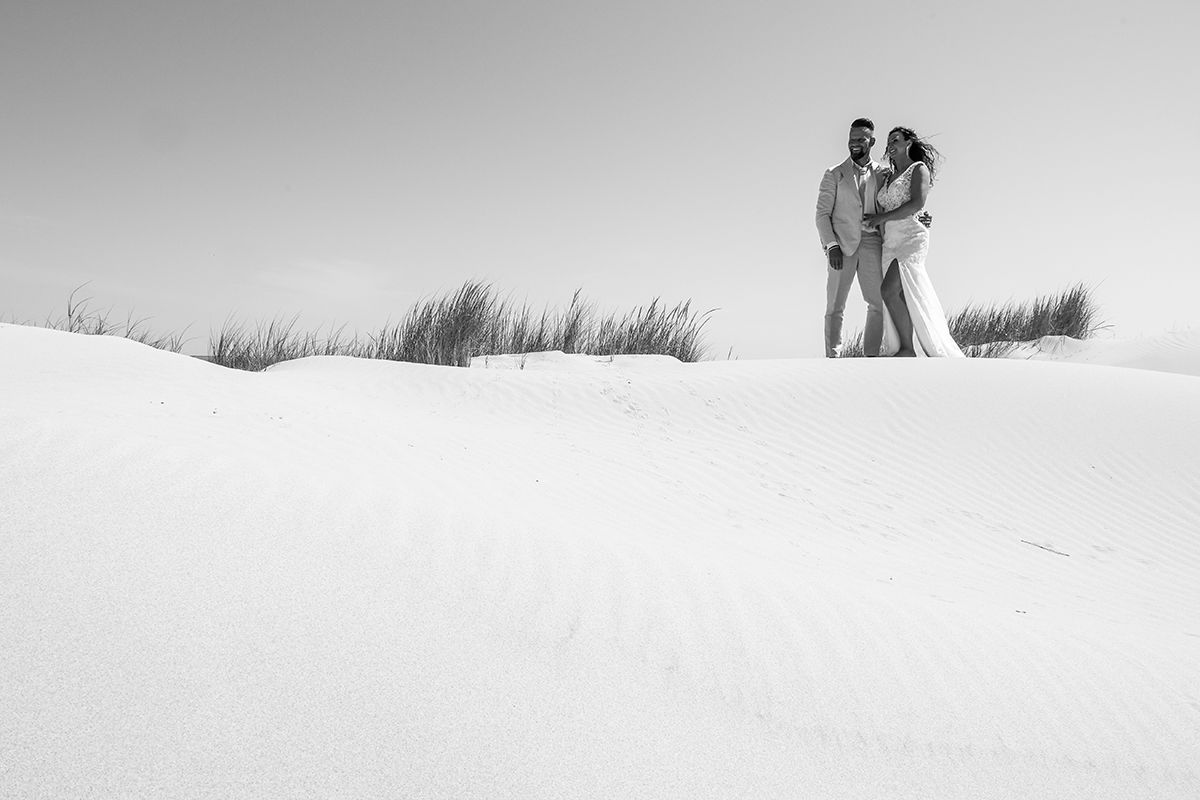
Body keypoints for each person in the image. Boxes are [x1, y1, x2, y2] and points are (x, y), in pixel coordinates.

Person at [864, 127, 963, 357]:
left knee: (887, 290)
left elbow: (917, 203)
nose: (890, 144)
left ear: (909, 142)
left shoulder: (918, 169)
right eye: (888, 141)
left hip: (911, 237)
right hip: (889, 240)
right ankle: (906, 347)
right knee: (899, 295)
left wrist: (883, 217)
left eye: (896, 140)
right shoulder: (887, 176)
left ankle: (908, 349)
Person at [815, 118, 887, 357]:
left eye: (860, 139)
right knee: (835, 306)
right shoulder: (834, 174)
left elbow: (895, 204)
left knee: (877, 303)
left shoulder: (884, 174)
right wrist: (831, 245)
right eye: (851, 139)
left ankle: (871, 355)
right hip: (841, 246)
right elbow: (822, 215)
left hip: (872, 244)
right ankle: (833, 356)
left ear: (872, 142)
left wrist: (920, 217)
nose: (854, 144)